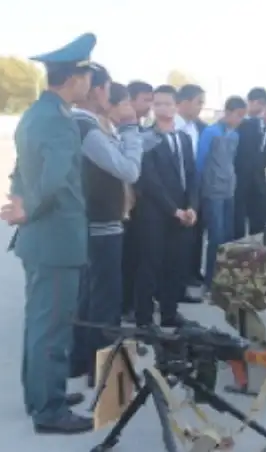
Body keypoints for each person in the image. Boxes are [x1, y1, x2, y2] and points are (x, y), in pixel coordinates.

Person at [0, 32, 97, 434]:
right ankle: (49, 410)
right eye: (87, 77)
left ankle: (41, 394)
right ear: (75, 78)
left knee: (40, 324)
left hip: (40, 240)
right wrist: (28, 207)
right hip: (55, 239)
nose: (89, 84)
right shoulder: (58, 120)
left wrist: (19, 199)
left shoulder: (35, 114)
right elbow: (54, 180)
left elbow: (20, 169)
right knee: (52, 327)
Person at [69, 73, 144, 387]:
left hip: (98, 221)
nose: (125, 106)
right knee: (103, 299)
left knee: (91, 296)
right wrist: (130, 129)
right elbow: (129, 170)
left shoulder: (89, 124)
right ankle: (101, 369)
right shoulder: (87, 126)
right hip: (100, 223)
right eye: (115, 95)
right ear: (98, 91)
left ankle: (82, 360)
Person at [132, 85, 198, 328]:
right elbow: (150, 181)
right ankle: (144, 318)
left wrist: (192, 206)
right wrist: (173, 210)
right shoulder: (146, 138)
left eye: (167, 103)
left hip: (182, 213)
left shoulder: (184, 138)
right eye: (157, 103)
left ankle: (170, 313)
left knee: (175, 264)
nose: (162, 108)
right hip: (154, 213)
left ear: (176, 106)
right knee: (150, 266)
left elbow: (192, 175)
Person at [196, 96, 247, 288]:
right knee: (215, 236)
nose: (240, 120)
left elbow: (231, 161)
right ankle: (210, 281)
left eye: (242, 116)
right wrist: (199, 188)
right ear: (227, 112)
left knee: (227, 235)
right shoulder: (211, 132)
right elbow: (200, 161)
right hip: (212, 190)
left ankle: (223, 278)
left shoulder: (235, 135)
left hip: (228, 189)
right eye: (238, 115)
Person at [121, 80, 154, 322]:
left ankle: (135, 302)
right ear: (130, 101)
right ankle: (125, 304)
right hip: (125, 204)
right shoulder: (121, 131)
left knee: (138, 255)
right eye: (146, 100)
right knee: (127, 257)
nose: (149, 105)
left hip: (143, 204)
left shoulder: (143, 130)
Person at [233, 93, 266, 239]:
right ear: (263, 108)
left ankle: (256, 247)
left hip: (259, 180)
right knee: (238, 221)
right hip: (239, 179)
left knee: (259, 220)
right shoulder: (246, 125)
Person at [174, 84, 209, 289]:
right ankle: (177, 281)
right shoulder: (172, 127)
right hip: (177, 190)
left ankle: (191, 274)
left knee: (196, 235)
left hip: (196, 187)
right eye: (198, 102)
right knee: (179, 240)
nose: (201, 107)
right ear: (185, 102)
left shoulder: (200, 128)